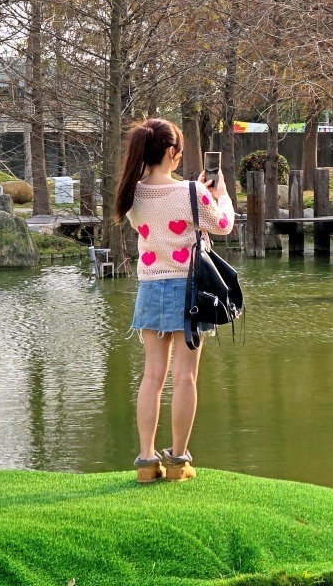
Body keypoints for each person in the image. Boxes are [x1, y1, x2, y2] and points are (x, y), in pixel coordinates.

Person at [113, 117, 234, 483]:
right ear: (171, 151)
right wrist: (220, 194)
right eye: (179, 149)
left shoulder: (131, 194)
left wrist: (195, 194)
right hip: (190, 291)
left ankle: (147, 462)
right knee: (185, 378)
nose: (180, 155)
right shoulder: (191, 194)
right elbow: (222, 225)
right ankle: (179, 460)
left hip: (150, 287)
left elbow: (161, 220)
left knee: (151, 377)